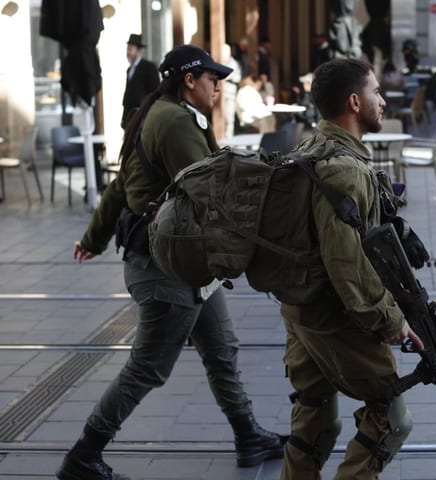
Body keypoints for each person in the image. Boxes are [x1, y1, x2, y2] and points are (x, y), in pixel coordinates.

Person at [56, 45, 285, 480]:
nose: (218, 86)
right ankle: (83, 456)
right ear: (189, 80)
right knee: (148, 367)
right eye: (211, 78)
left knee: (221, 349)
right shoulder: (177, 122)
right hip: (167, 267)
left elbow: (121, 187)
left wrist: (93, 238)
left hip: (187, 263)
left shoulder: (157, 114)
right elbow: (213, 193)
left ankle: (247, 435)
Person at [279, 58, 429, 480]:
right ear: (353, 101)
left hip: (300, 310)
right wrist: (392, 321)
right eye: (375, 93)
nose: (381, 101)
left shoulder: (310, 149)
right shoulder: (342, 169)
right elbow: (345, 263)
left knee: (315, 422)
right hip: (335, 317)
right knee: (391, 420)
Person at [121, 34, 160, 129]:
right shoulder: (130, 69)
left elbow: (155, 92)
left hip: (142, 116)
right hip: (130, 116)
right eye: (127, 49)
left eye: (130, 49)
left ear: (139, 50)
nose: (128, 52)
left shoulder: (149, 68)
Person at [221, 43, 242, 138]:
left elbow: (238, 78)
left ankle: (228, 139)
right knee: (219, 117)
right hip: (217, 95)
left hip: (230, 94)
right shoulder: (217, 62)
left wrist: (228, 77)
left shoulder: (234, 64)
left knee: (229, 118)